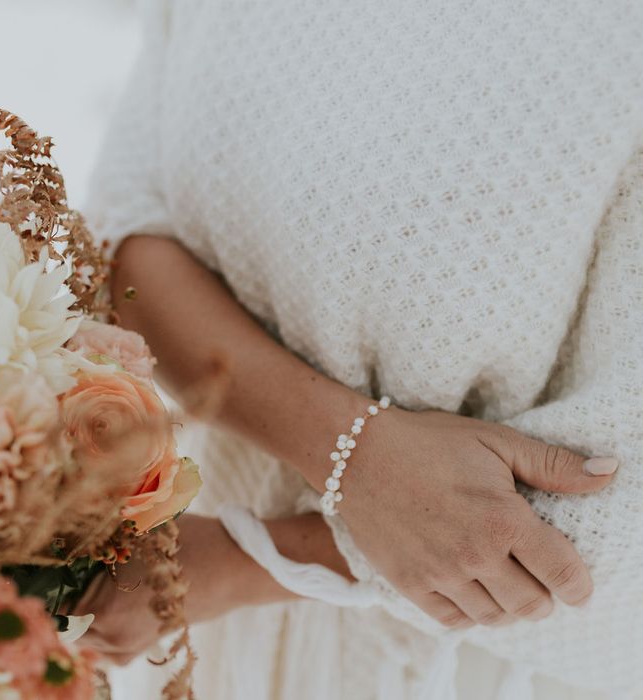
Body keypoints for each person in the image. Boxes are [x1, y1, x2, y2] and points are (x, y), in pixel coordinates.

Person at [79, 1, 643, 698]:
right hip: (200, 594)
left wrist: (250, 559)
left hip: (477, 656)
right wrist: (349, 448)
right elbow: (125, 232)